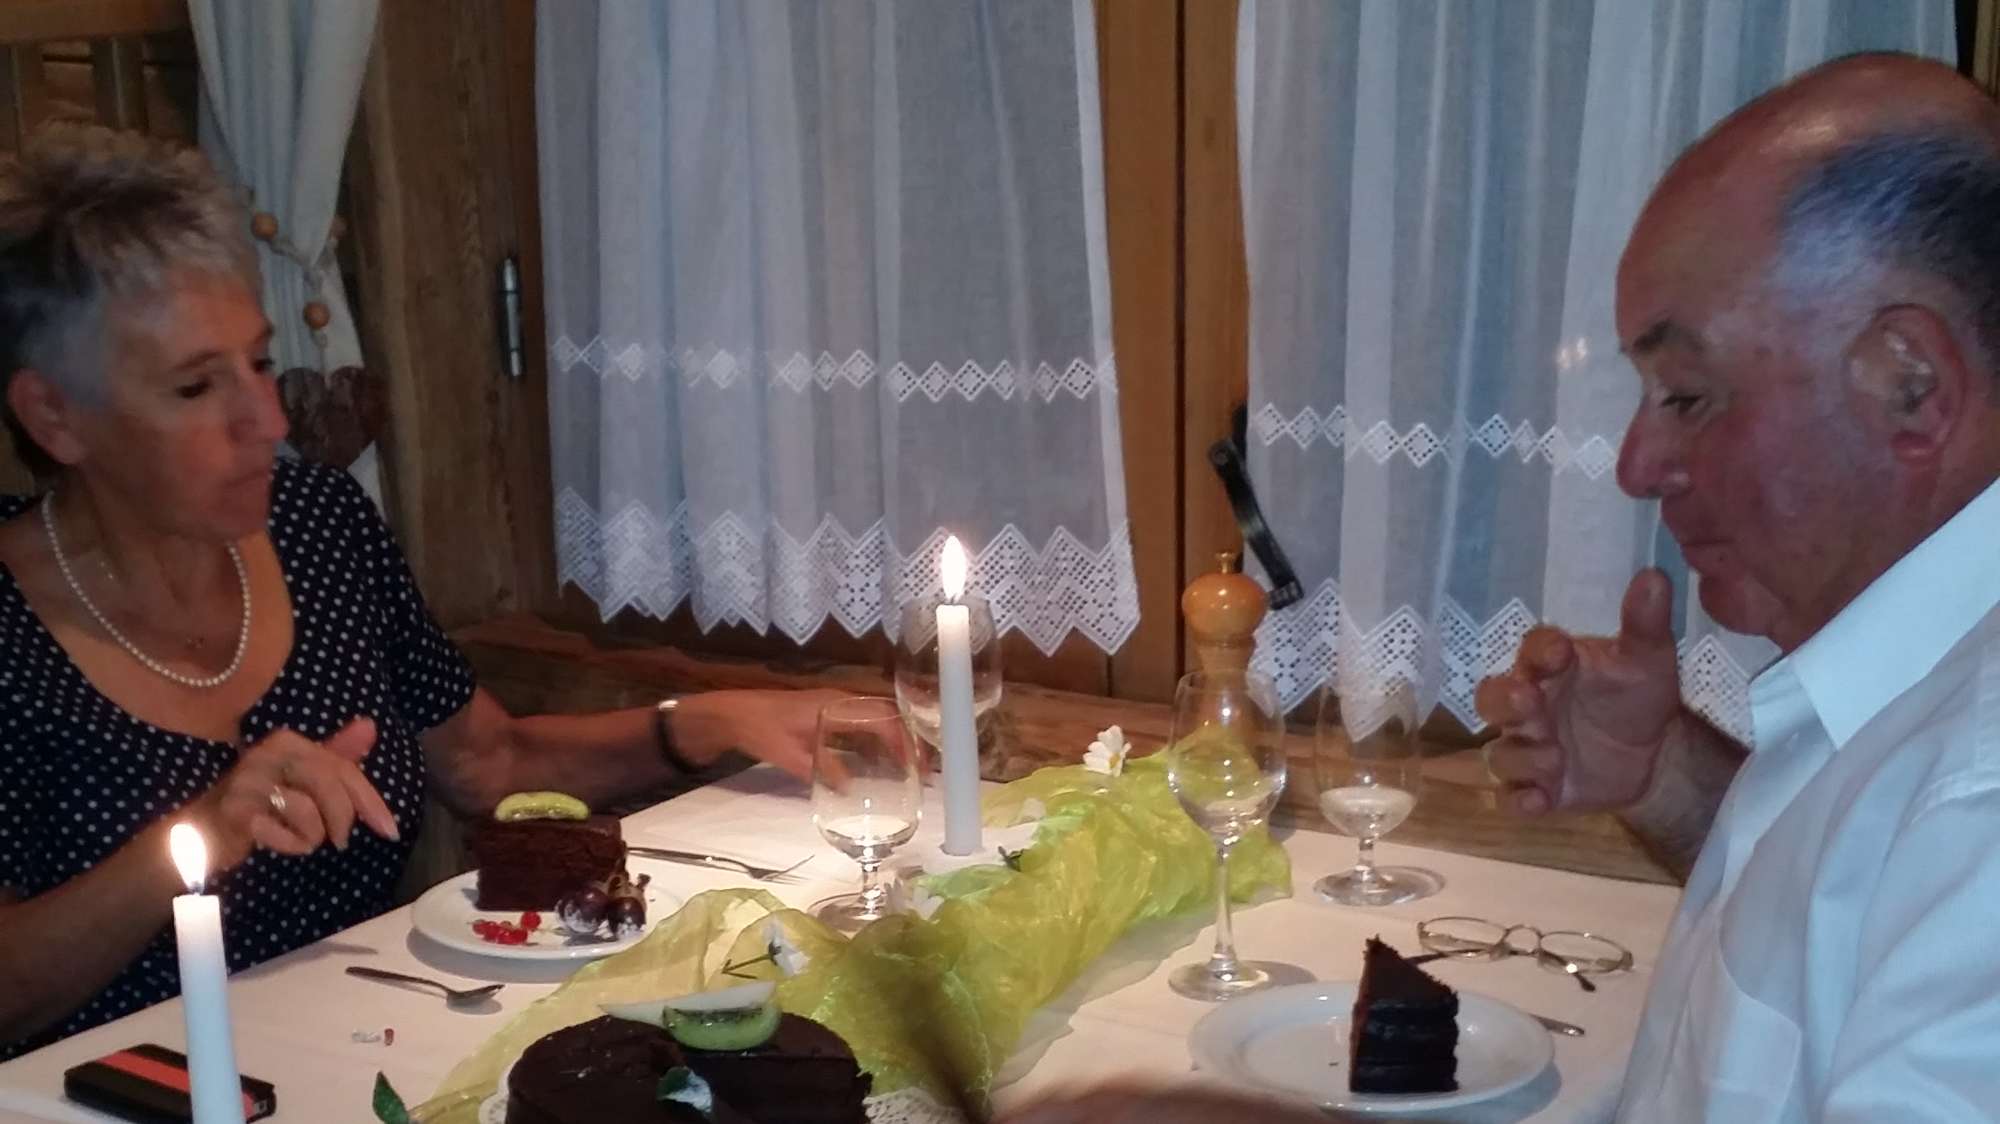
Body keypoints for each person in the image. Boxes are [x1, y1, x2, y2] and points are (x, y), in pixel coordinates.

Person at [1008, 52, 2000, 1123]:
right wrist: (1670, 777)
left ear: (1911, 385)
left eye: (1686, 394)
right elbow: (1842, 908)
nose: (1636, 465)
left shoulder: (1980, 801)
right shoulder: (1912, 694)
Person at [0, 123, 842, 1058]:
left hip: (367, 1050)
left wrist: (702, 722)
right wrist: (195, 838)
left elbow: (487, 761)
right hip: (103, 1095)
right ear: (55, 416)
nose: (267, 419)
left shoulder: (317, 524)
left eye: (261, 364)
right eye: (197, 389)